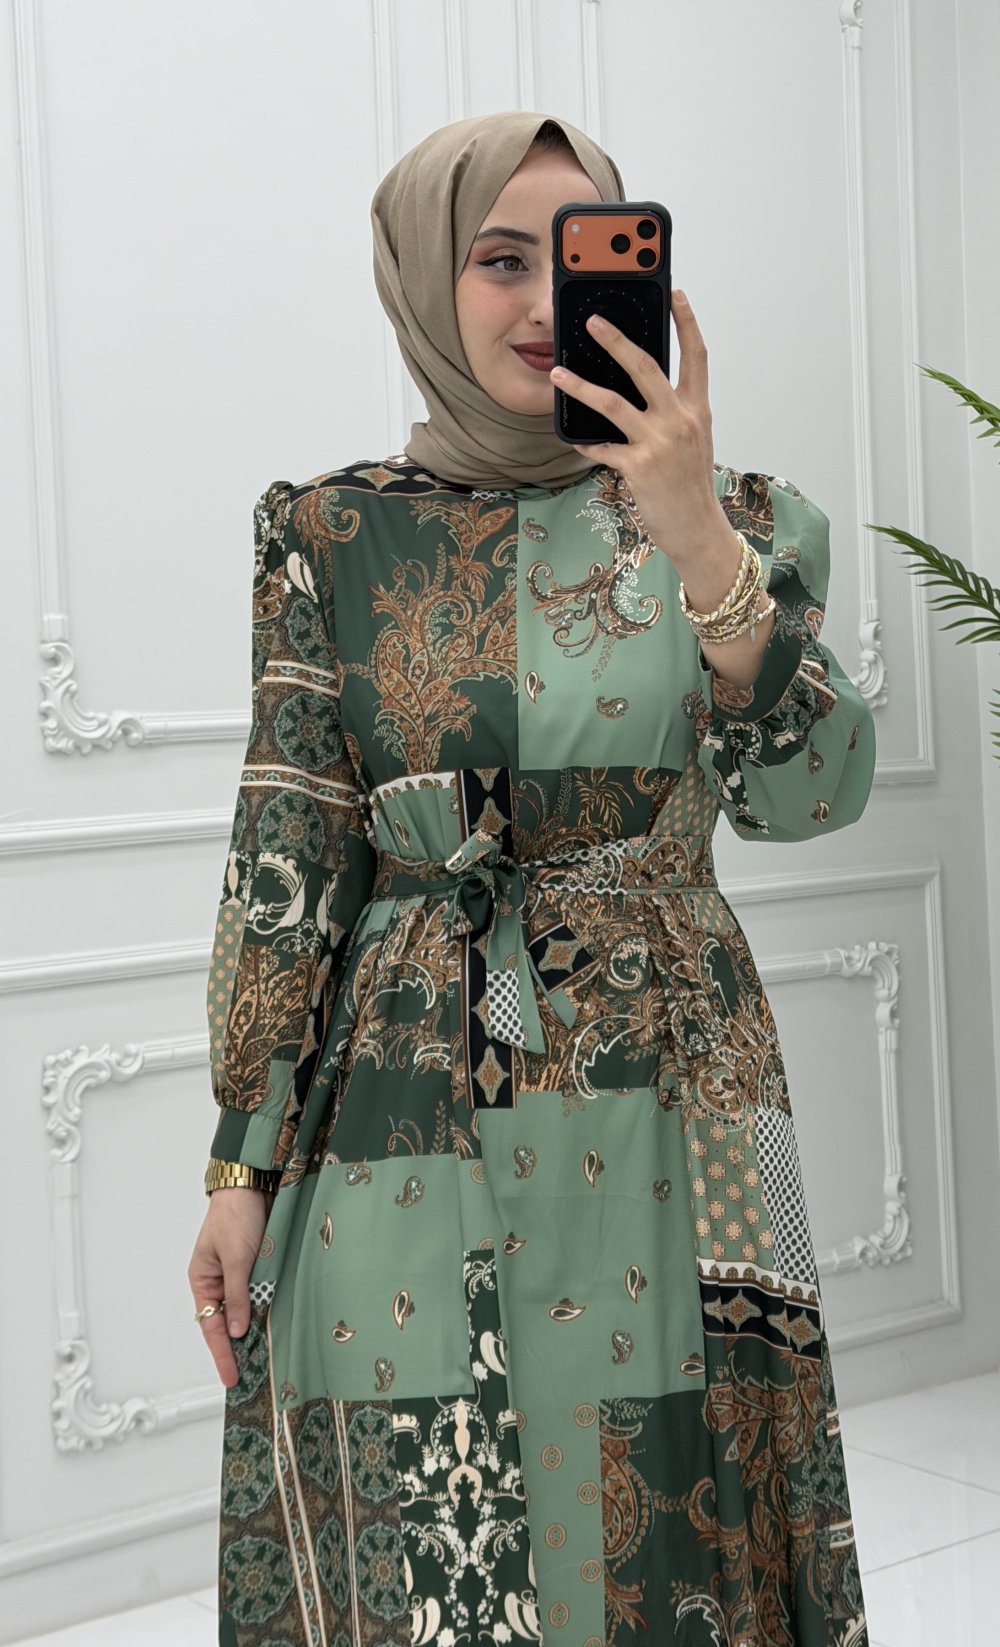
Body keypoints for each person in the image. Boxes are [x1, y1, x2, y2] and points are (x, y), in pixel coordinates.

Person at [188, 109, 875, 1647]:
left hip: (684, 1087)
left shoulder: (753, 521)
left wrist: (700, 545)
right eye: (500, 260)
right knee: (417, 1511)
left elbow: (814, 794)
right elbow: (290, 850)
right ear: (425, 277)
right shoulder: (328, 534)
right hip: (398, 1095)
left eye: (580, 257)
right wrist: (240, 1165)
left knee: (685, 1517)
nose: (546, 301)